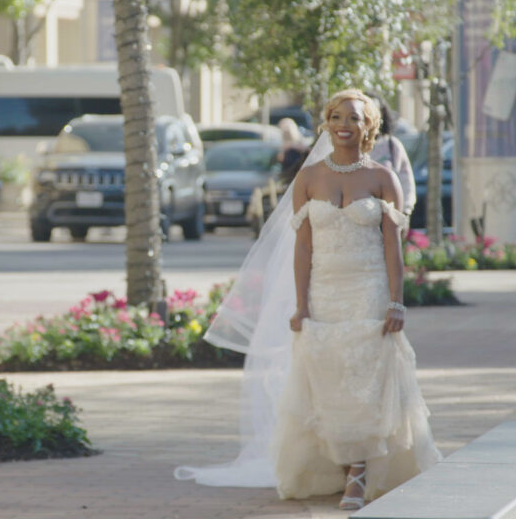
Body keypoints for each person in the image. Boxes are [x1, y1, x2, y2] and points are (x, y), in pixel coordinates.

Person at [175, 89, 440, 510]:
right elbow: (302, 247)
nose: (343, 125)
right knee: (329, 377)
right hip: (324, 289)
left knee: (367, 376)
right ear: (325, 123)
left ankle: (358, 472)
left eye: (353, 118)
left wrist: (396, 301)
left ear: (368, 126)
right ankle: (339, 464)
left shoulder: (383, 178)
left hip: (368, 288)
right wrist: (301, 304)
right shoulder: (309, 177)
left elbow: (393, 248)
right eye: (336, 117)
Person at [365, 92, 416, 226]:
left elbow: (406, 181)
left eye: (375, 111)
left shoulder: (392, 146)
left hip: (388, 219)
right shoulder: (349, 147)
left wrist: (405, 212)